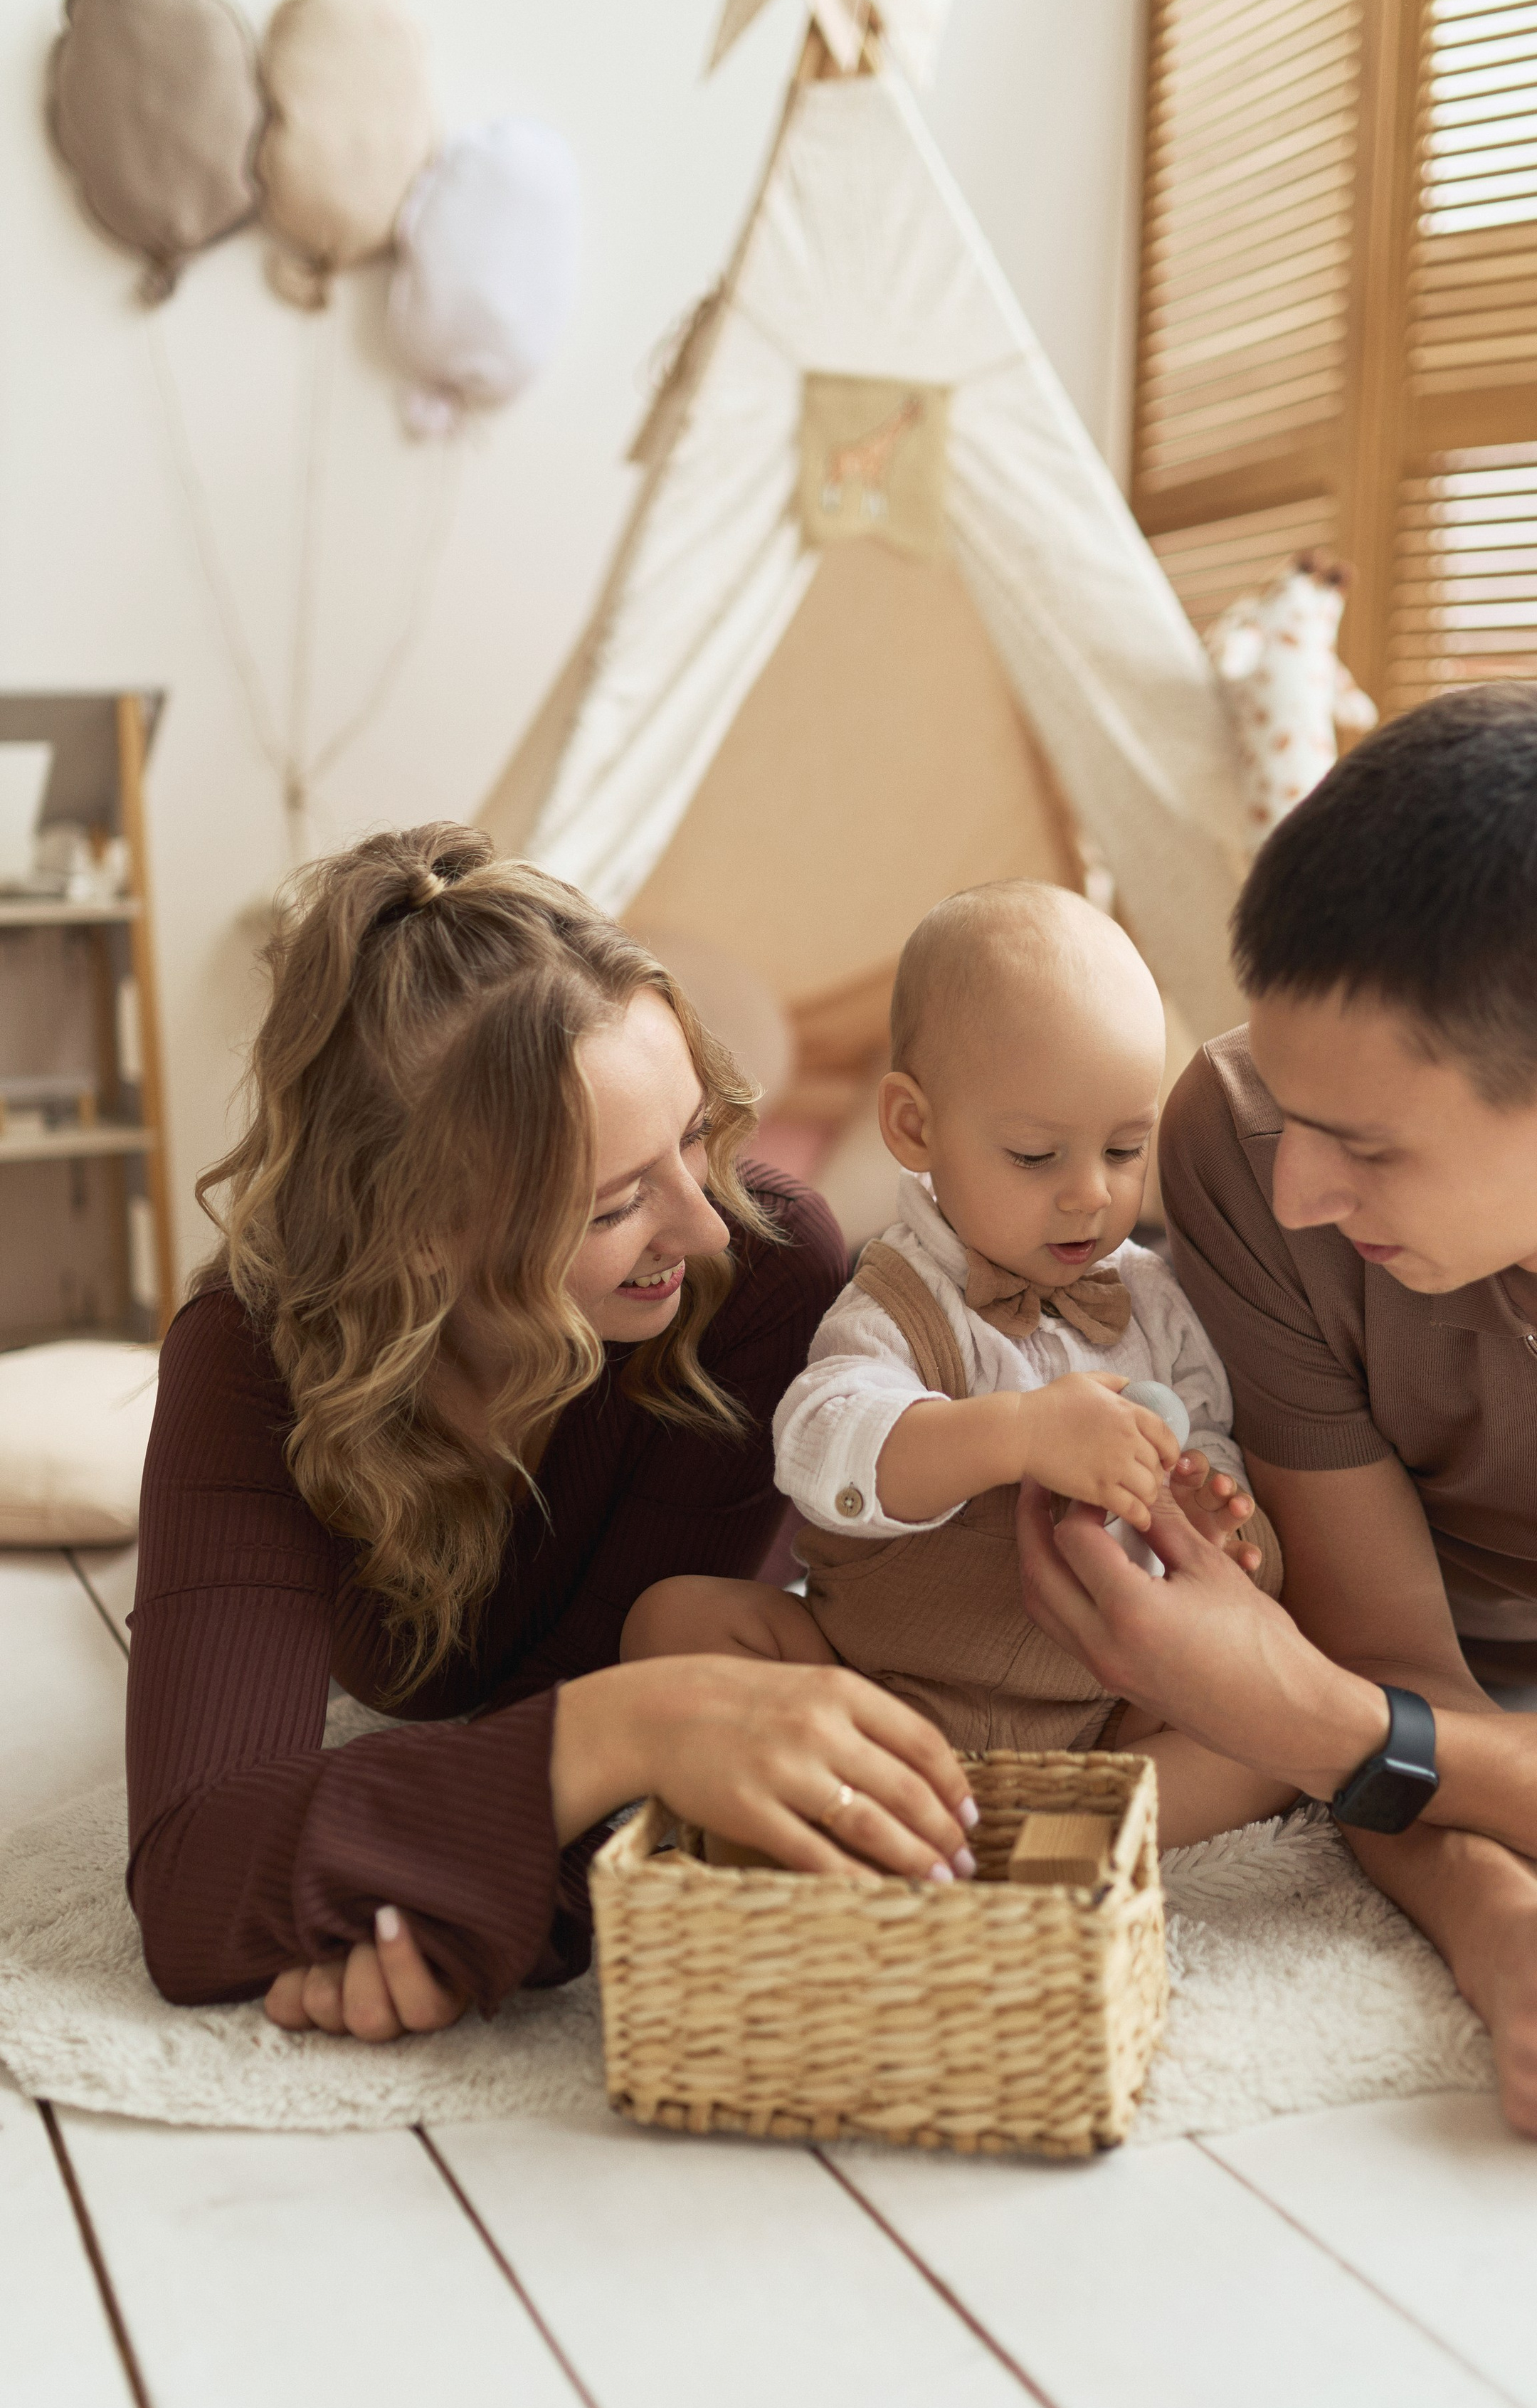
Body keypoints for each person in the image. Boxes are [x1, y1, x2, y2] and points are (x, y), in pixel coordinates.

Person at [1016, 681, 1537, 2154]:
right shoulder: (1241, 1131)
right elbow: (1387, 1662)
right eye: (1296, 1110)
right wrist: (1502, 1928)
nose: (1292, 1197)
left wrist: (1325, 1727)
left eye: (1365, 1148)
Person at [127, 826, 976, 2044]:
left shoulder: (761, 1280)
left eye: (693, 1137)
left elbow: (594, 1726)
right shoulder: (248, 1356)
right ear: (420, 1231)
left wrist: (440, 1910)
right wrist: (645, 1724)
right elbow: (194, 1874)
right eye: (618, 1203)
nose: (706, 1226)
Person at [622, 884, 1279, 1842]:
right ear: (916, 1128)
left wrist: (1206, 1500)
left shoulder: (1154, 1301)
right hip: (871, 1695)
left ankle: (1051, 1828)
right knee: (672, 1624)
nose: (1091, 1195)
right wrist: (1020, 1432)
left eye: (1127, 1148)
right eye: (1035, 1155)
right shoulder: (899, 1295)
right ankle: (864, 1802)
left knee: (1275, 1722)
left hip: (1102, 1708)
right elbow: (821, 1448)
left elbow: (1208, 1428)